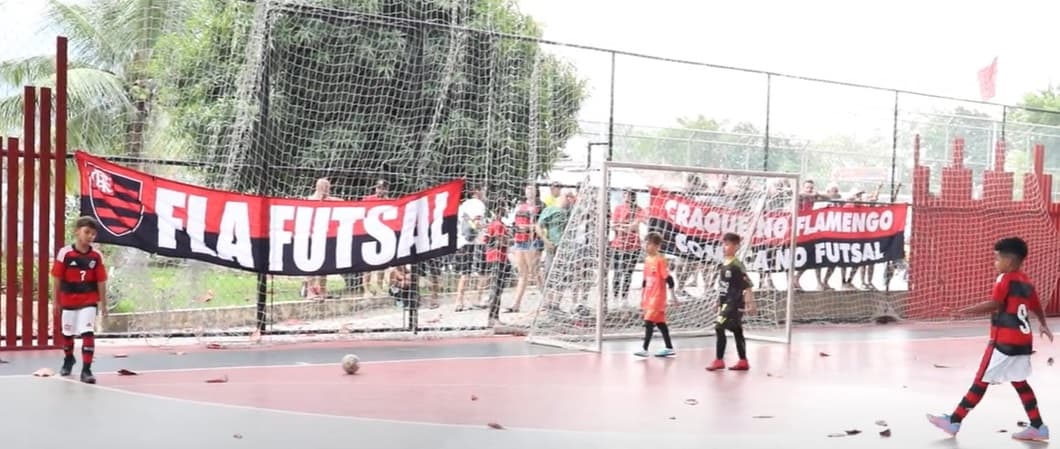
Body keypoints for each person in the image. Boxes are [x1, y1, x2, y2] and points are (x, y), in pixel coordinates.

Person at [927, 237, 1053, 441]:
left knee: (980, 380)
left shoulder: (1004, 279)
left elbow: (994, 304)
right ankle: (1038, 426)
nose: (995, 263)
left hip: (1003, 342)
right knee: (1020, 382)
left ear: (1009, 262)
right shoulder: (1027, 282)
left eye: (996, 259)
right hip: (1023, 342)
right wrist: (1043, 324)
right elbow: (1036, 304)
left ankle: (954, 420)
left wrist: (961, 312)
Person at [51, 216, 108, 384]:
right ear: (77, 232)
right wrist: (55, 301)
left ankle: (86, 370)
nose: (90, 236)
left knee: (87, 332)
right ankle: (69, 359)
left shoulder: (96, 256)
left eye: (93, 234)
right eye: (87, 232)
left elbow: (101, 281)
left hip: (88, 301)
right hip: (68, 301)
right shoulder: (65, 253)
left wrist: (103, 303)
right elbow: (56, 278)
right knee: (67, 335)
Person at [706, 232, 756, 372]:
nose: (725, 247)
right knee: (736, 330)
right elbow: (723, 286)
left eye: (728, 244)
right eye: (724, 244)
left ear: (736, 246)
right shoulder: (723, 264)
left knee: (718, 327)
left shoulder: (736, 265)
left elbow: (747, 285)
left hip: (733, 303)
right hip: (725, 302)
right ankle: (743, 361)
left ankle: (719, 360)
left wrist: (750, 303)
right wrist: (717, 301)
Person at [635, 232, 675, 357]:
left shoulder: (660, 260)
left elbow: (668, 278)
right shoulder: (647, 259)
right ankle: (669, 347)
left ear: (657, 246)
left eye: (649, 244)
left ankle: (645, 349)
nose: (647, 246)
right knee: (660, 323)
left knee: (648, 321)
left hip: (658, 297)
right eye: (646, 243)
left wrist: (673, 296)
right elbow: (645, 279)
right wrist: (642, 296)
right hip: (649, 295)